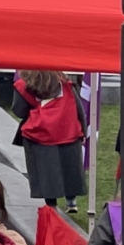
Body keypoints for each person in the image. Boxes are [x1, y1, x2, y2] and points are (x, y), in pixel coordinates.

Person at [14, 69, 86, 212]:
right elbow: (79, 109)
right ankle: (71, 201)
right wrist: (82, 131)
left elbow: (19, 111)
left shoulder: (23, 86)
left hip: (39, 134)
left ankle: (51, 205)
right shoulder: (64, 83)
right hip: (67, 130)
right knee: (70, 167)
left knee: (46, 171)